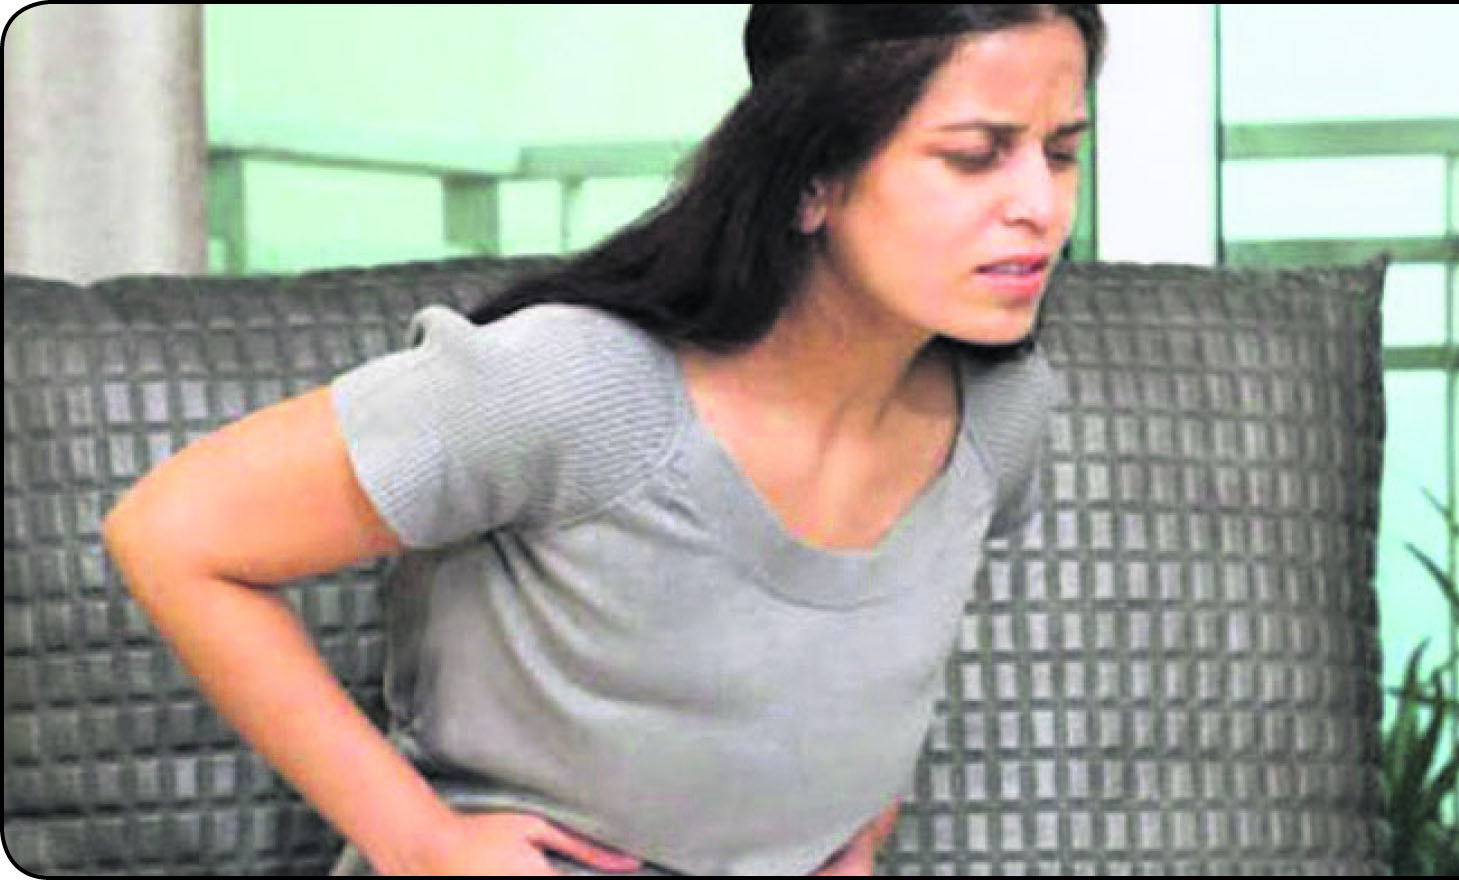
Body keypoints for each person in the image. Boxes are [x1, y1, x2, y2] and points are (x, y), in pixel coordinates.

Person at [103, 4, 1105, 875]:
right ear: (811, 179)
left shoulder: (1001, 414)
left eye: (1059, 152)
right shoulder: (577, 385)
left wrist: (849, 837)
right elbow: (172, 532)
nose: (1040, 207)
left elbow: (854, 665)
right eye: (974, 155)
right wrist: (418, 842)